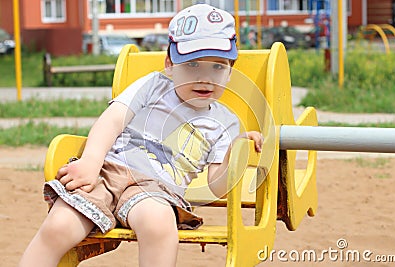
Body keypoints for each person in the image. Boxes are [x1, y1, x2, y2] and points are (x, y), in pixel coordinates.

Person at [19, 4, 263, 267]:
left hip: (156, 190)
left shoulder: (225, 123)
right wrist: (91, 161)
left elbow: (216, 186)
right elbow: (112, 121)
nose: (205, 77)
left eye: (218, 67)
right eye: (192, 64)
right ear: (170, 64)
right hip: (107, 171)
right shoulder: (153, 85)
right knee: (59, 225)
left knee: (158, 224)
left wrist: (232, 155)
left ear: (230, 70)